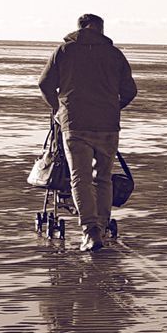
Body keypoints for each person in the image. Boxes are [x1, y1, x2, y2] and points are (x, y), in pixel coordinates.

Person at [38, 14, 138, 252]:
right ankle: (100, 227)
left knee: (79, 178)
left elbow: (44, 84)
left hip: (75, 124)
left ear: (80, 29)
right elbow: (130, 91)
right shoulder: (114, 55)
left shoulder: (64, 51)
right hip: (107, 126)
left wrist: (57, 109)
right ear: (101, 30)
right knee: (102, 178)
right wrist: (113, 107)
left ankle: (90, 231)